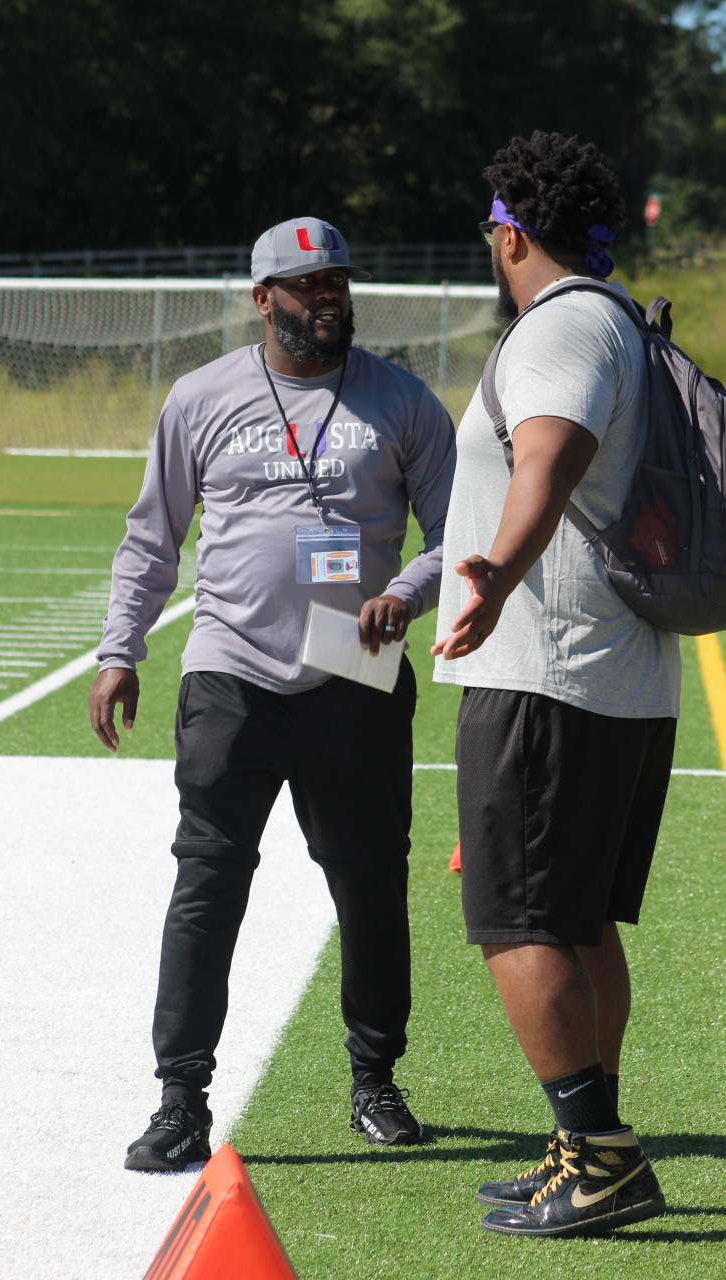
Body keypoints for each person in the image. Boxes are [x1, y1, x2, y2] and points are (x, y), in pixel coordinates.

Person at [90, 216, 456, 1171]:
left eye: (337, 282)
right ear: (263, 299)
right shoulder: (201, 397)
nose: (327, 298)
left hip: (357, 670)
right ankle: (180, 1098)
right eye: (306, 286)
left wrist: (406, 594)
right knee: (207, 882)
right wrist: (117, 649)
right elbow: (151, 535)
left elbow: (459, 537)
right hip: (233, 665)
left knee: (370, 883)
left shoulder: (404, 402)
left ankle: (374, 1079)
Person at [431, 131, 681, 1237]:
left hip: (548, 674)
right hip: (612, 675)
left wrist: (494, 572)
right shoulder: (616, 316)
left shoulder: (561, 323)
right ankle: (586, 1146)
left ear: (508, 231)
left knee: (517, 918)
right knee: (574, 920)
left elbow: (549, 452)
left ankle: (603, 1155)